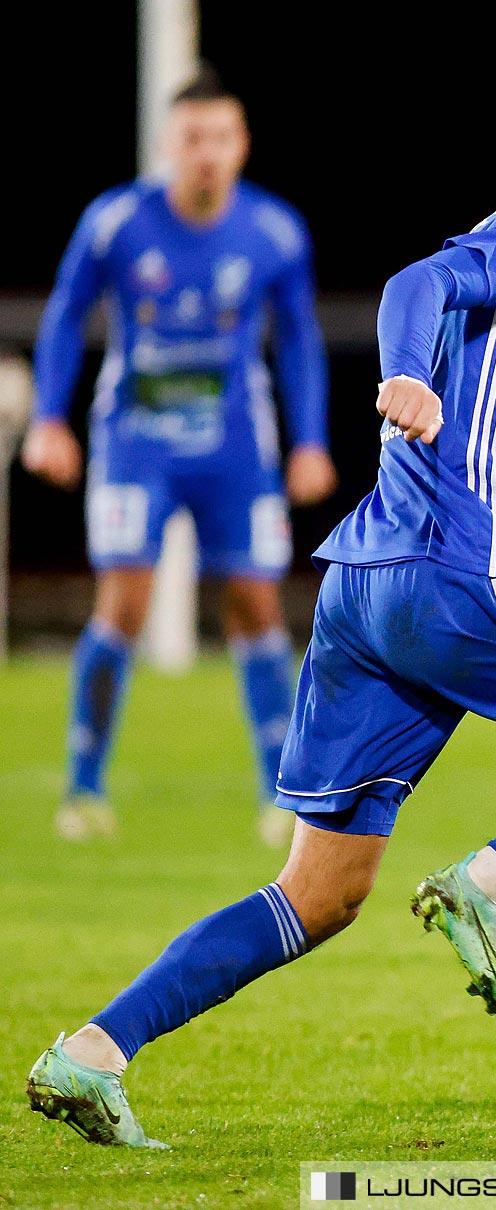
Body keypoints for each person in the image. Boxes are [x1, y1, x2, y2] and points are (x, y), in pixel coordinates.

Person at [26, 32, 496, 1151]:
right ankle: (493, 881)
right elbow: (416, 281)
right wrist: (401, 372)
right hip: (462, 578)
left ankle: (90, 1052)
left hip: (367, 587)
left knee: (320, 894)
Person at [22, 66, 336, 848]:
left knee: (256, 606)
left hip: (237, 443)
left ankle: (284, 794)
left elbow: (298, 339)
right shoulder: (115, 222)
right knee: (122, 604)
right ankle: (84, 790)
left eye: (221, 138)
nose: (207, 153)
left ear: (242, 145)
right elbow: (66, 316)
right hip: (138, 440)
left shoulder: (275, 231)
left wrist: (310, 442)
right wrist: (49, 419)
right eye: (193, 138)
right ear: (169, 144)